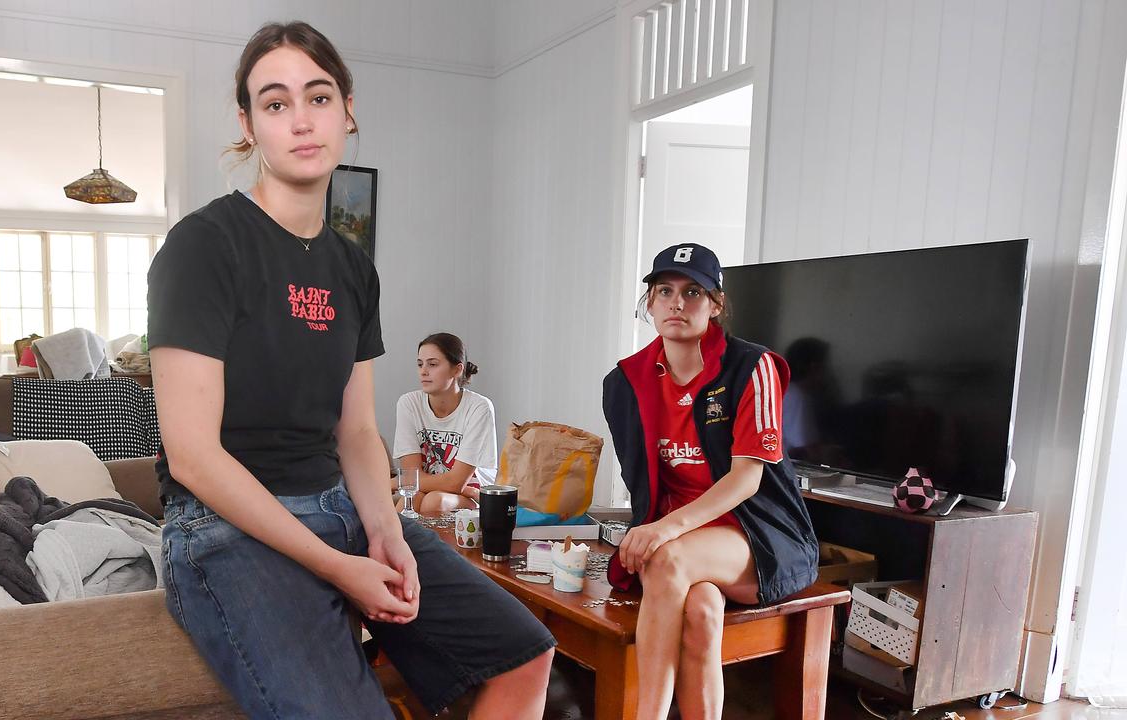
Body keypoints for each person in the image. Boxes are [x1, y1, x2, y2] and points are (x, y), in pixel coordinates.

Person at [147, 21, 554, 720]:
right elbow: (192, 456)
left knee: (524, 651)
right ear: (248, 125)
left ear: (348, 109)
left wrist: (387, 532)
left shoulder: (351, 267)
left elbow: (359, 432)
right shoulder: (203, 246)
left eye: (319, 96)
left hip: (335, 503)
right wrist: (338, 568)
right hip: (222, 526)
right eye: (275, 104)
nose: (301, 120)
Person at [602, 243, 818, 720]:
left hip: (758, 533)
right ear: (651, 304)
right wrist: (652, 527)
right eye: (665, 291)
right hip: (688, 537)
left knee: (668, 557)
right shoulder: (625, 382)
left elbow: (747, 478)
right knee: (700, 613)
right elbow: (642, 481)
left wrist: (661, 530)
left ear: (716, 304)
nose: (677, 303)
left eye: (693, 292)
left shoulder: (752, 367)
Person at [392, 332, 497, 514]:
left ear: (457, 370)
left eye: (432, 364)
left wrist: (395, 482)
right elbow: (411, 478)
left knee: (435, 501)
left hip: (471, 494)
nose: (423, 371)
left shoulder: (479, 407)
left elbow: (456, 483)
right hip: (426, 490)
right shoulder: (408, 403)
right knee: (411, 500)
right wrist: (405, 482)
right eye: (420, 364)